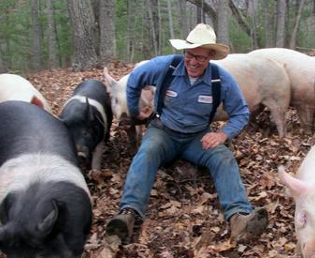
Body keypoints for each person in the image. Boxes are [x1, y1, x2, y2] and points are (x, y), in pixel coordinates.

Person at [106, 23, 268, 244]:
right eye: (189, 55)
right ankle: (128, 214)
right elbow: (135, 80)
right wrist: (134, 113)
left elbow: (240, 112)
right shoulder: (165, 67)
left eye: (200, 58)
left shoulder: (221, 79)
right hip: (163, 131)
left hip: (197, 137)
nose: (193, 62)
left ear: (210, 56)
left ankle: (239, 218)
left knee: (224, 158)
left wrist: (222, 134)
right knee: (146, 153)